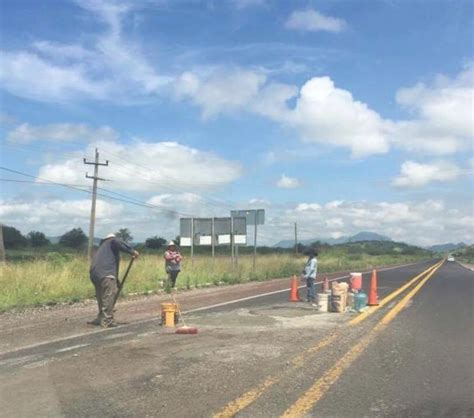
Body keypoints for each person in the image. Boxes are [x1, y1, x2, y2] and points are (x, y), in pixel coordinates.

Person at [89, 233, 139, 328]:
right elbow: (116, 241)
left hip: (95, 274)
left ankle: (101, 317)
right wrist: (132, 251)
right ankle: (107, 320)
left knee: (101, 296)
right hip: (106, 274)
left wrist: (117, 281)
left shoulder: (103, 248)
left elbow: (110, 266)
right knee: (108, 296)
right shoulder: (112, 241)